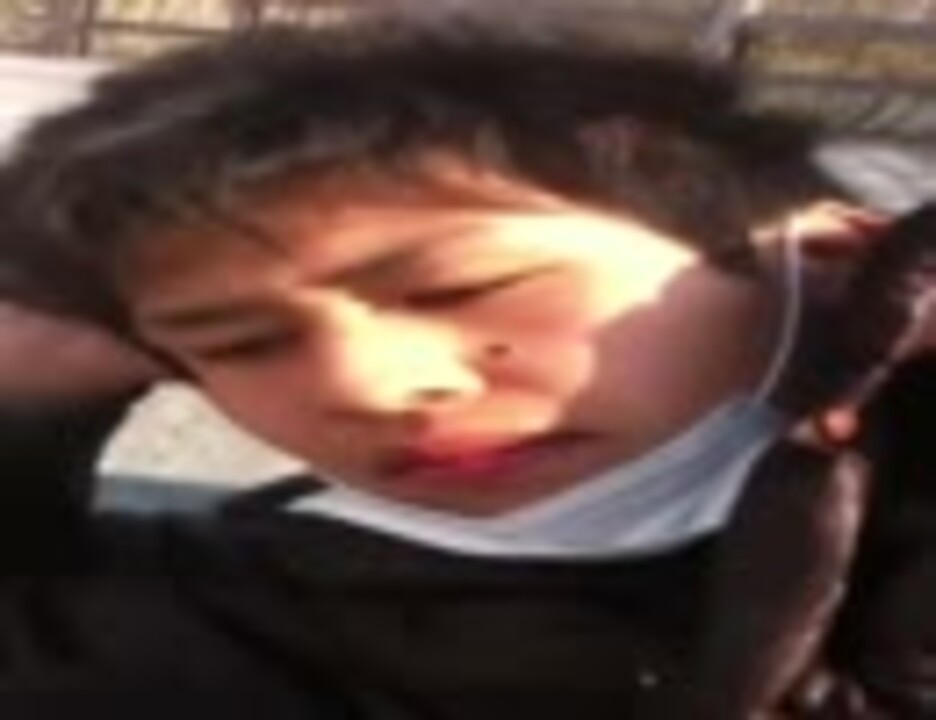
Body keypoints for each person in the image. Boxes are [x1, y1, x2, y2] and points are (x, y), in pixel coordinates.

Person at [0, 16, 933, 719]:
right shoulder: (260, 616)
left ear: (829, 254)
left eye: (463, 288)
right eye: (245, 344)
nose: (372, 388)